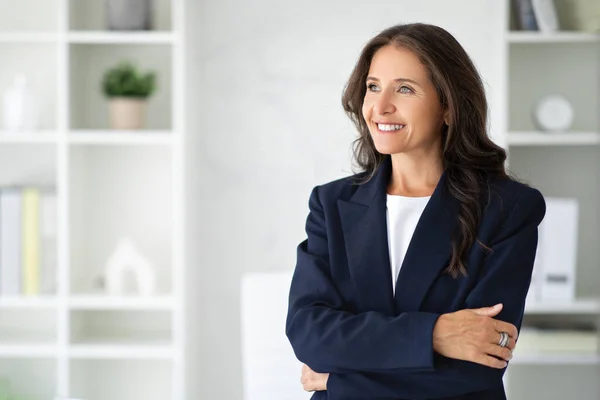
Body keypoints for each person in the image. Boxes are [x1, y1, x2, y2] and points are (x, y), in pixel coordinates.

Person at [285, 23, 546, 400]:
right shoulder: (331, 204)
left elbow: (478, 365)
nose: (380, 106)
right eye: (373, 86)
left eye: (404, 89)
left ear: (448, 107)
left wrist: (340, 381)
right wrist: (437, 334)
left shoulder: (507, 208)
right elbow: (310, 335)